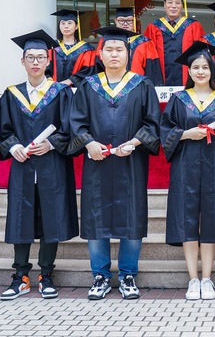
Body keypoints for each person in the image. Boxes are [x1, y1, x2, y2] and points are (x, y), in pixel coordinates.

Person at [68, 26, 161, 300]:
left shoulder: (142, 84)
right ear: (101, 54)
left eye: (119, 49)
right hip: (97, 163)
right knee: (96, 217)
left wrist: (135, 142)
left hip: (130, 163)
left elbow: (152, 123)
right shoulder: (88, 85)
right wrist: (89, 143)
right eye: (109, 49)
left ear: (128, 54)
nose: (114, 54)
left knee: (131, 216)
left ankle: (128, 275)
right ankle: (100, 276)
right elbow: (76, 122)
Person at [0, 30, 78, 301]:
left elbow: (70, 128)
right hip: (23, 166)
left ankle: (46, 274)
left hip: (51, 166)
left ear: (48, 60)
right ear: (22, 61)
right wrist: (13, 147)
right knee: (20, 217)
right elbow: (2, 130)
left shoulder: (60, 93)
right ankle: (20, 275)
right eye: (30, 57)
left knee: (50, 218)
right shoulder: (11, 95)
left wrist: (52, 144)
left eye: (40, 57)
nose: (35, 62)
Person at [160, 41, 215, 301]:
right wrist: (186, 134)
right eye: (196, 67)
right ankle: (193, 279)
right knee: (186, 218)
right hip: (185, 165)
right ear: (189, 71)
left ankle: (207, 279)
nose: (200, 71)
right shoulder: (178, 99)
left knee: (211, 218)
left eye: (205, 67)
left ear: (212, 70)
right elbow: (165, 131)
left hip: (213, 166)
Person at [73, 6, 163, 86]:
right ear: (115, 21)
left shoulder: (145, 42)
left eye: (129, 20)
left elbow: (152, 70)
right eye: (121, 20)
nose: (125, 24)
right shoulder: (105, 41)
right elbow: (99, 66)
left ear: (134, 21)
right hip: (109, 86)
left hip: (137, 85)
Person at [143, 0, 206, 86]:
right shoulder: (154, 27)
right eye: (170, 2)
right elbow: (148, 57)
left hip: (188, 81)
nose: (173, 6)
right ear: (164, 4)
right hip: (160, 81)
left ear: (182, 5)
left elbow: (201, 54)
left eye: (177, 3)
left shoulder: (193, 26)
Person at [48, 9, 94, 86]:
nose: (66, 26)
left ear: (76, 26)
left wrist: (70, 81)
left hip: (76, 90)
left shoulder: (86, 49)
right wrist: (50, 81)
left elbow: (88, 71)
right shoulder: (52, 47)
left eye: (69, 23)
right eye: (63, 23)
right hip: (54, 88)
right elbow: (45, 67)